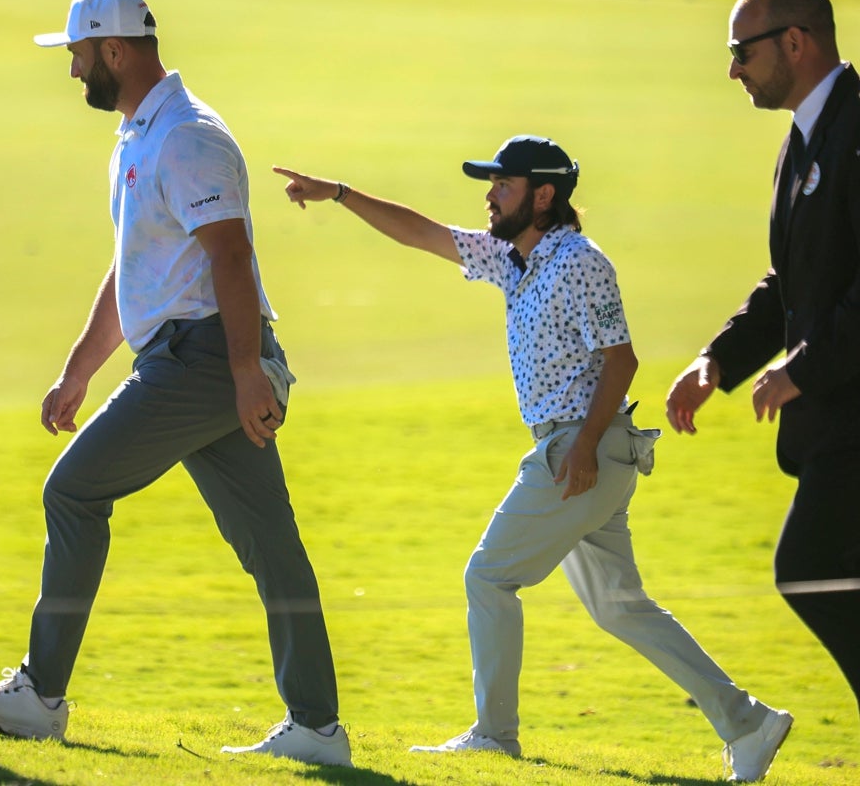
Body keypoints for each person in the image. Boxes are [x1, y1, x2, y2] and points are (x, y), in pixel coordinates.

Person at [275, 136, 791, 781]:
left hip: (581, 448)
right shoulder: (512, 258)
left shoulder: (580, 260)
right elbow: (423, 234)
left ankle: (494, 736)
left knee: (487, 578)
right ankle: (748, 722)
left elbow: (620, 359)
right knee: (621, 606)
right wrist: (341, 194)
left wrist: (580, 449)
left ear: (543, 195)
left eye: (503, 185)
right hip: (578, 448)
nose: (490, 196)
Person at [0, 0, 350, 766]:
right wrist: (79, 369)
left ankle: (40, 694)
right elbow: (138, 268)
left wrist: (245, 372)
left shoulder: (188, 136)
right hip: (197, 357)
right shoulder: (137, 135)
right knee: (271, 542)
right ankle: (319, 730)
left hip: (203, 360)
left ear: (114, 51)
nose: (72, 72)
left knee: (73, 490)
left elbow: (231, 255)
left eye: (78, 56)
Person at [666, 0, 860, 717]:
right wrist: (717, 361)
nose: (733, 70)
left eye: (741, 52)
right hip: (835, 420)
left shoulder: (858, 127)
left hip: (855, 418)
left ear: (795, 42)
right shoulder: (800, 143)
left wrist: (798, 371)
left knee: (807, 567)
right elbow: (790, 282)